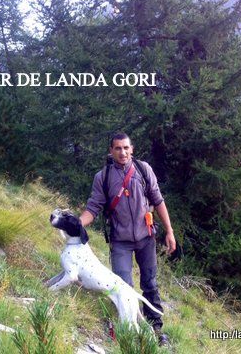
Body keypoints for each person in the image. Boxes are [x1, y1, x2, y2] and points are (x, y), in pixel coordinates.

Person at [79, 132, 176, 345]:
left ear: (131, 149)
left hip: (146, 238)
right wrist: (77, 224)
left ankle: (156, 330)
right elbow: (93, 208)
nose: (122, 152)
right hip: (120, 241)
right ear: (111, 151)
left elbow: (158, 201)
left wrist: (169, 231)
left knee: (149, 283)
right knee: (121, 286)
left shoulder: (143, 170)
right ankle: (124, 330)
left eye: (126, 148)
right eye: (117, 148)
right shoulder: (102, 177)